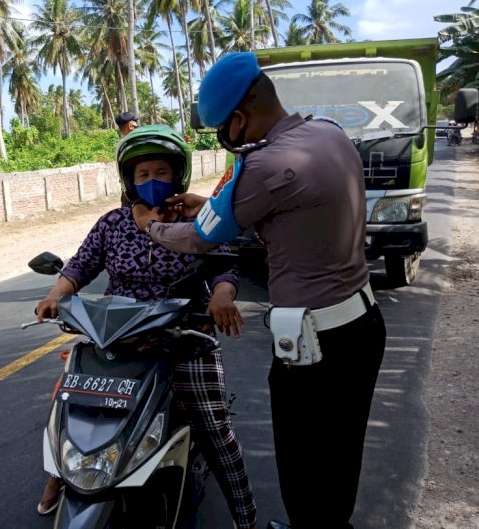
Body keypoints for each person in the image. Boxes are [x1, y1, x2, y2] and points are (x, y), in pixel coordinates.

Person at [132, 53, 387, 529]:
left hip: (316, 350)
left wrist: (151, 228)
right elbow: (286, 206)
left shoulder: (265, 164)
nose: (226, 140)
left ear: (239, 118)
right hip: (362, 324)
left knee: (303, 464)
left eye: (222, 131)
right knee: (341, 453)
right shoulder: (327, 133)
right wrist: (206, 204)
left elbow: (201, 238)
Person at [35, 124, 258, 529]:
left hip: (184, 337)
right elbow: (82, 264)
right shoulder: (113, 223)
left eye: (160, 172)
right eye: (142, 174)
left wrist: (222, 294)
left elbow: (224, 260)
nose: (152, 181)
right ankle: (60, 474)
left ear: (177, 175)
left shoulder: (197, 218)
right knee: (74, 406)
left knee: (214, 428)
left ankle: (246, 517)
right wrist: (56, 294)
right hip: (118, 338)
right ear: (129, 180)